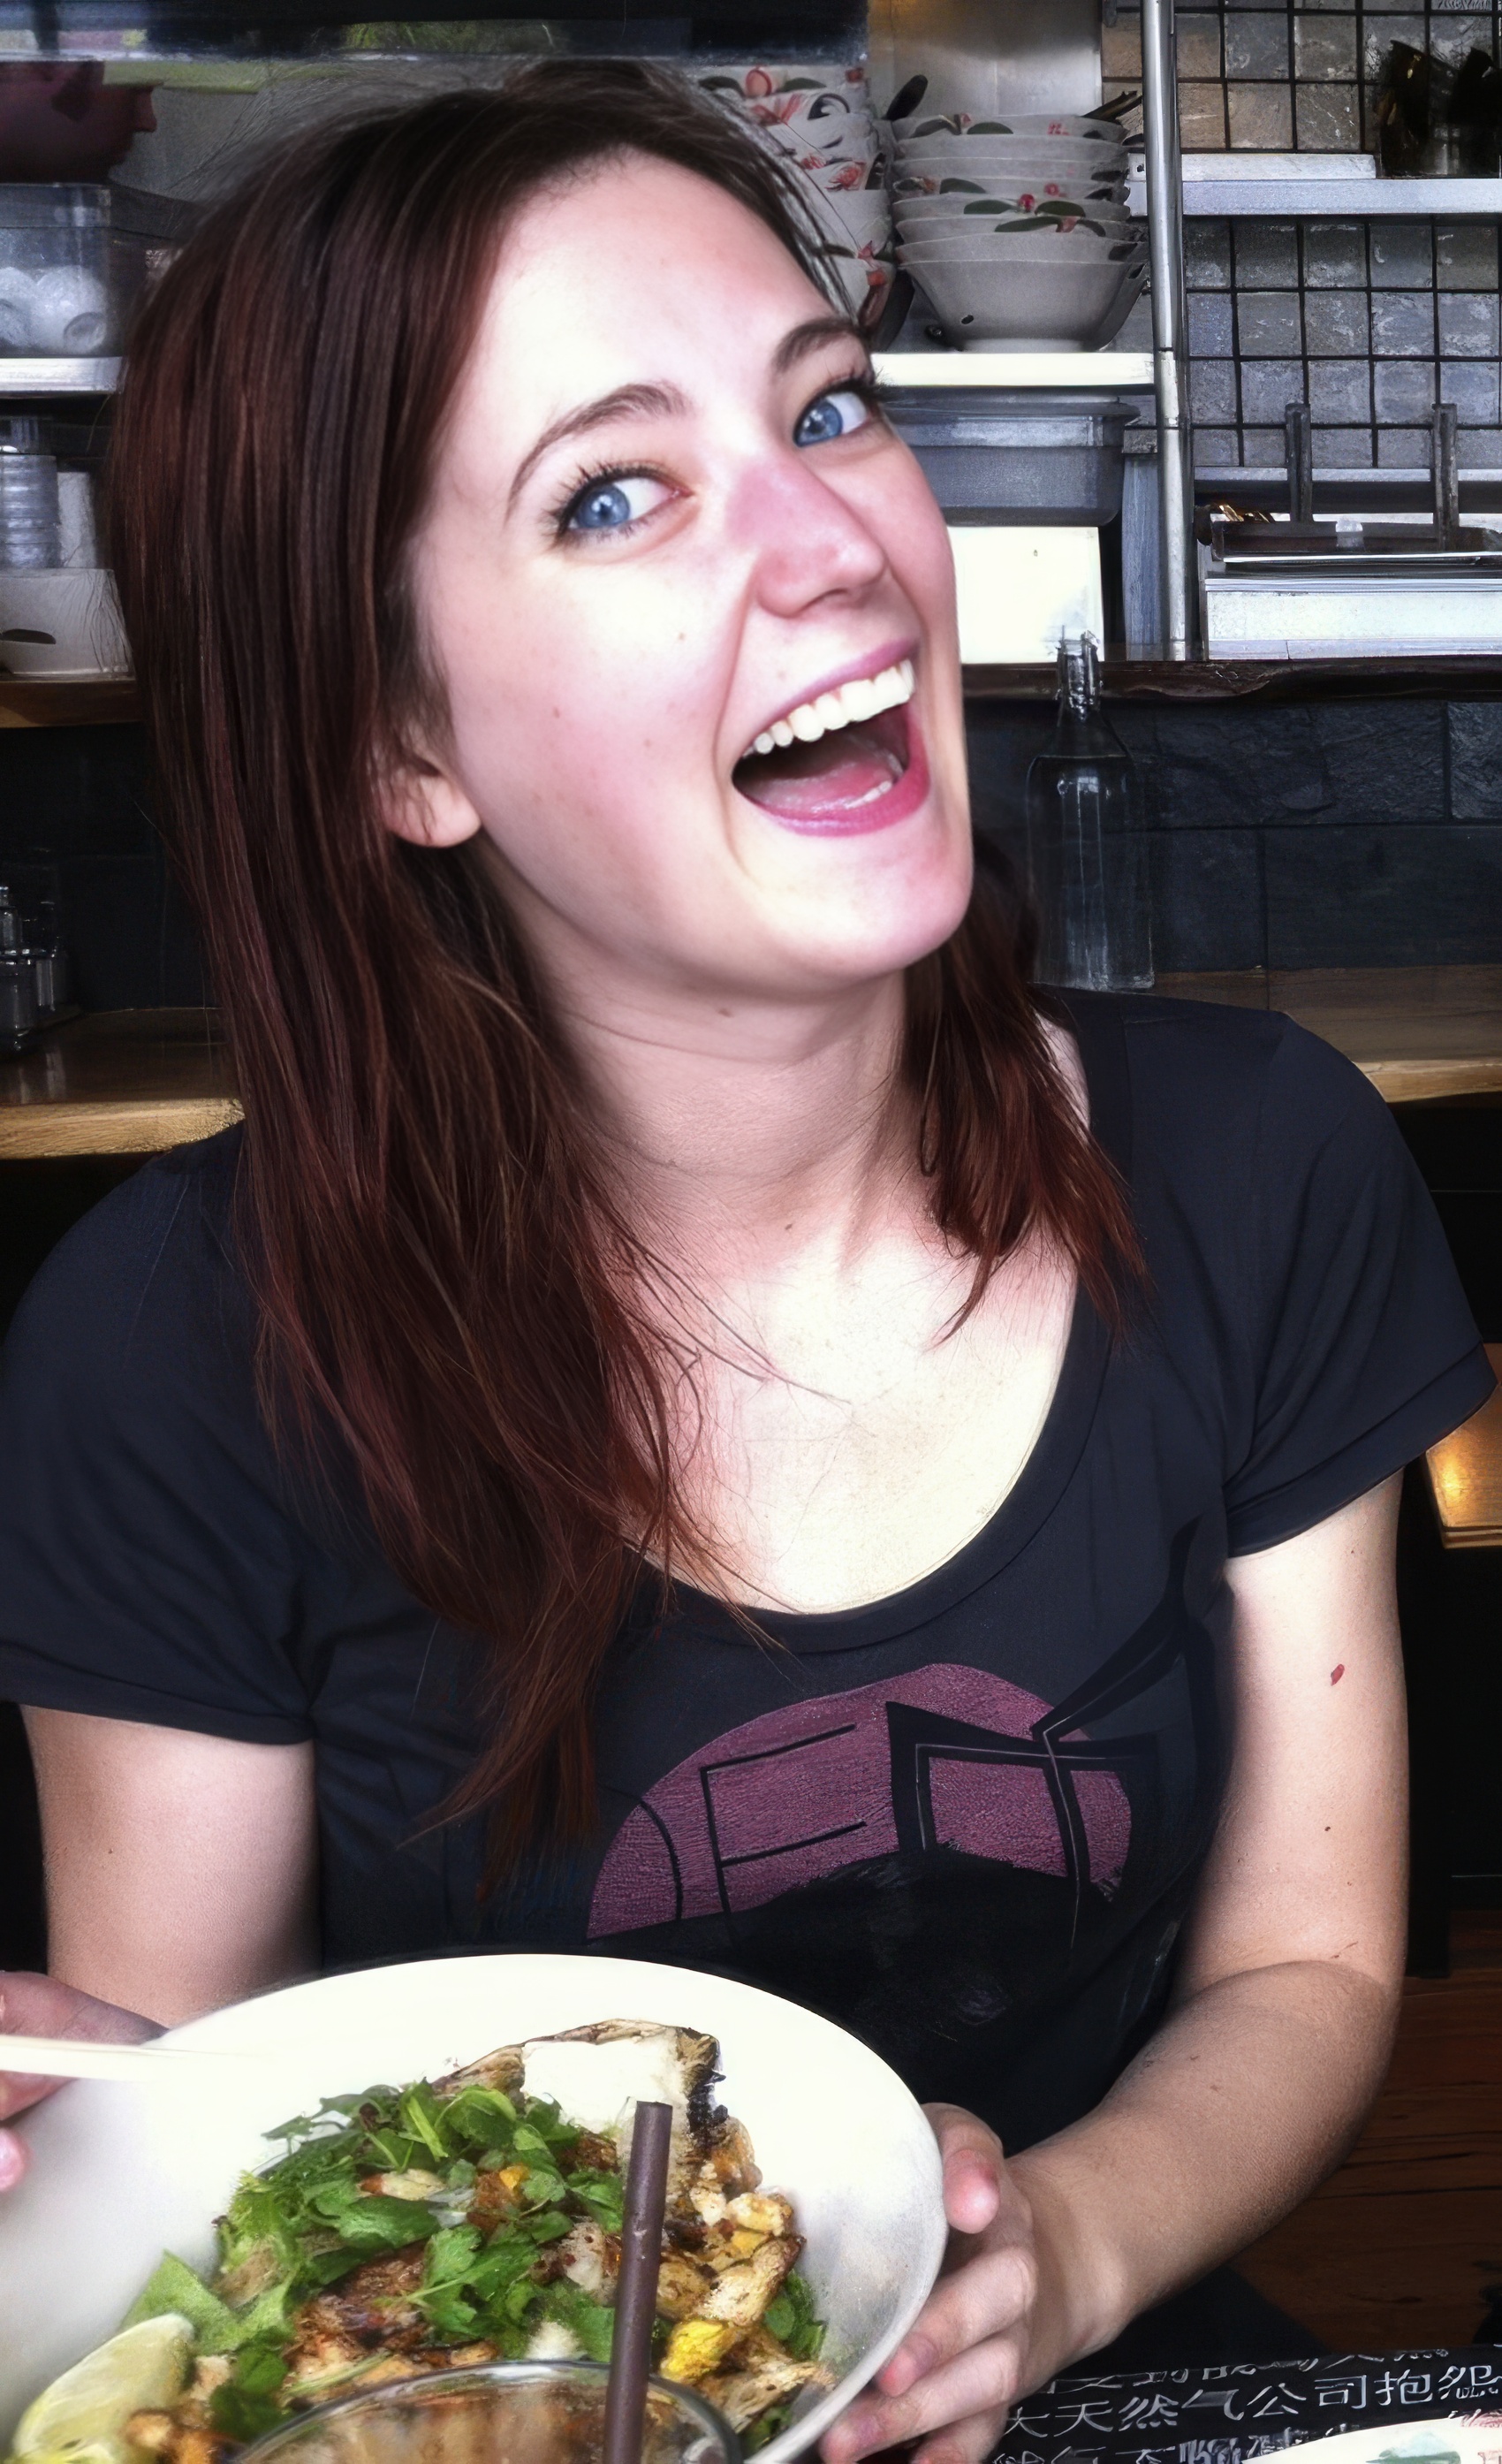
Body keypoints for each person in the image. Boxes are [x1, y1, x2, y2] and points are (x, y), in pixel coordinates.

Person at [0, 59, 1492, 2460]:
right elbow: (195, 2138)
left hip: (1113, 2373)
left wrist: (1063, 2250)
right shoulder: (173, 1357)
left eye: (829, 409)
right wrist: (73, 2150)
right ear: (399, 742)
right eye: (616, 493)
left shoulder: (1254, 1164)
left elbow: (1307, 1954)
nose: (827, 547)